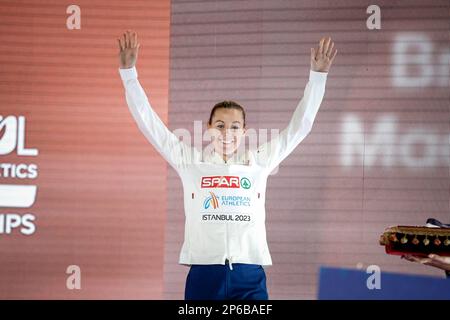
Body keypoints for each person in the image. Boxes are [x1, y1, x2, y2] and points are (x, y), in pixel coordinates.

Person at [117, 30, 337, 300]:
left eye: (234, 127)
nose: (226, 132)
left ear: (244, 131)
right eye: (219, 125)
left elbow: (299, 128)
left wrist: (317, 78)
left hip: (249, 274)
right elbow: (149, 124)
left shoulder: (258, 161)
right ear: (209, 129)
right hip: (204, 273)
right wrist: (129, 74)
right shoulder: (190, 162)